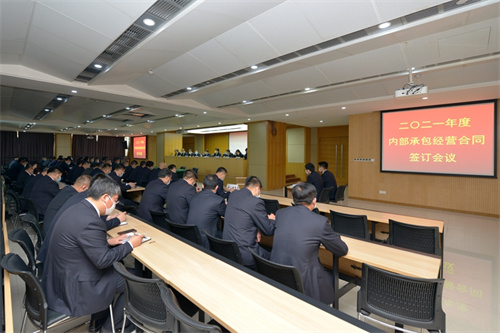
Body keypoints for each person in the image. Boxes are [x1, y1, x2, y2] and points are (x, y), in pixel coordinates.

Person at [42, 175, 144, 333]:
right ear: (105, 197)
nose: (115, 204)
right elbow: (103, 261)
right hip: (77, 285)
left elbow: (79, 241)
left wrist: (109, 242)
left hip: (64, 274)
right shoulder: (91, 220)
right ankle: (110, 328)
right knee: (135, 283)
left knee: (122, 268)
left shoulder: (78, 207)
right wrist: (131, 244)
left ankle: (100, 319)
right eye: (115, 200)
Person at [270, 183, 348, 304]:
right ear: (314, 200)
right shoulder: (320, 222)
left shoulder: (281, 213)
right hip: (302, 278)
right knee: (330, 277)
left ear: (293, 199)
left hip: (277, 272)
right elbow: (341, 250)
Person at [223, 176, 275, 268]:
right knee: (274, 258)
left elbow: (245, 216)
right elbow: (268, 230)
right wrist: (271, 219)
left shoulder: (234, 195)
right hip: (245, 252)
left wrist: (258, 228)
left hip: (228, 248)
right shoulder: (255, 202)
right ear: (257, 188)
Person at [186, 174, 226, 249]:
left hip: (190, 235)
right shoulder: (218, 201)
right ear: (217, 187)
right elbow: (225, 213)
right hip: (206, 239)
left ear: (203, 186)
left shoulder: (194, 197)